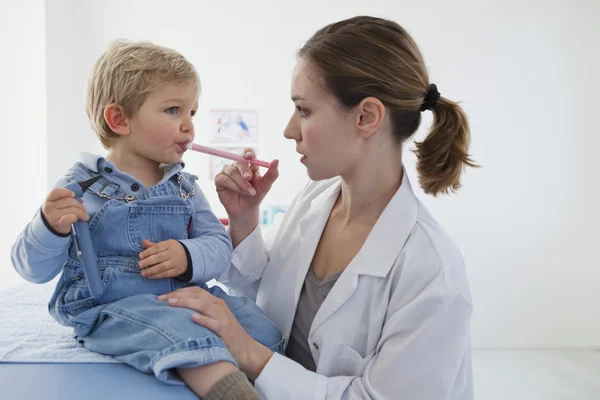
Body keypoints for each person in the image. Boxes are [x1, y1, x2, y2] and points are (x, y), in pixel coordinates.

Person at [160, 15, 477, 399]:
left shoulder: (432, 275)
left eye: (304, 110)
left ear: (366, 117)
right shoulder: (318, 200)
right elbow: (272, 296)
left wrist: (247, 351)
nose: (289, 129)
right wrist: (244, 220)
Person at [11, 40, 282, 400]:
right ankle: (231, 390)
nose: (189, 127)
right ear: (119, 119)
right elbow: (32, 269)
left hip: (184, 296)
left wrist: (187, 256)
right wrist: (49, 227)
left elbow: (218, 247)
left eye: (192, 113)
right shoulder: (81, 186)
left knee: (260, 329)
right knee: (181, 331)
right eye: (173, 110)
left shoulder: (185, 187)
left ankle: (246, 364)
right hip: (112, 305)